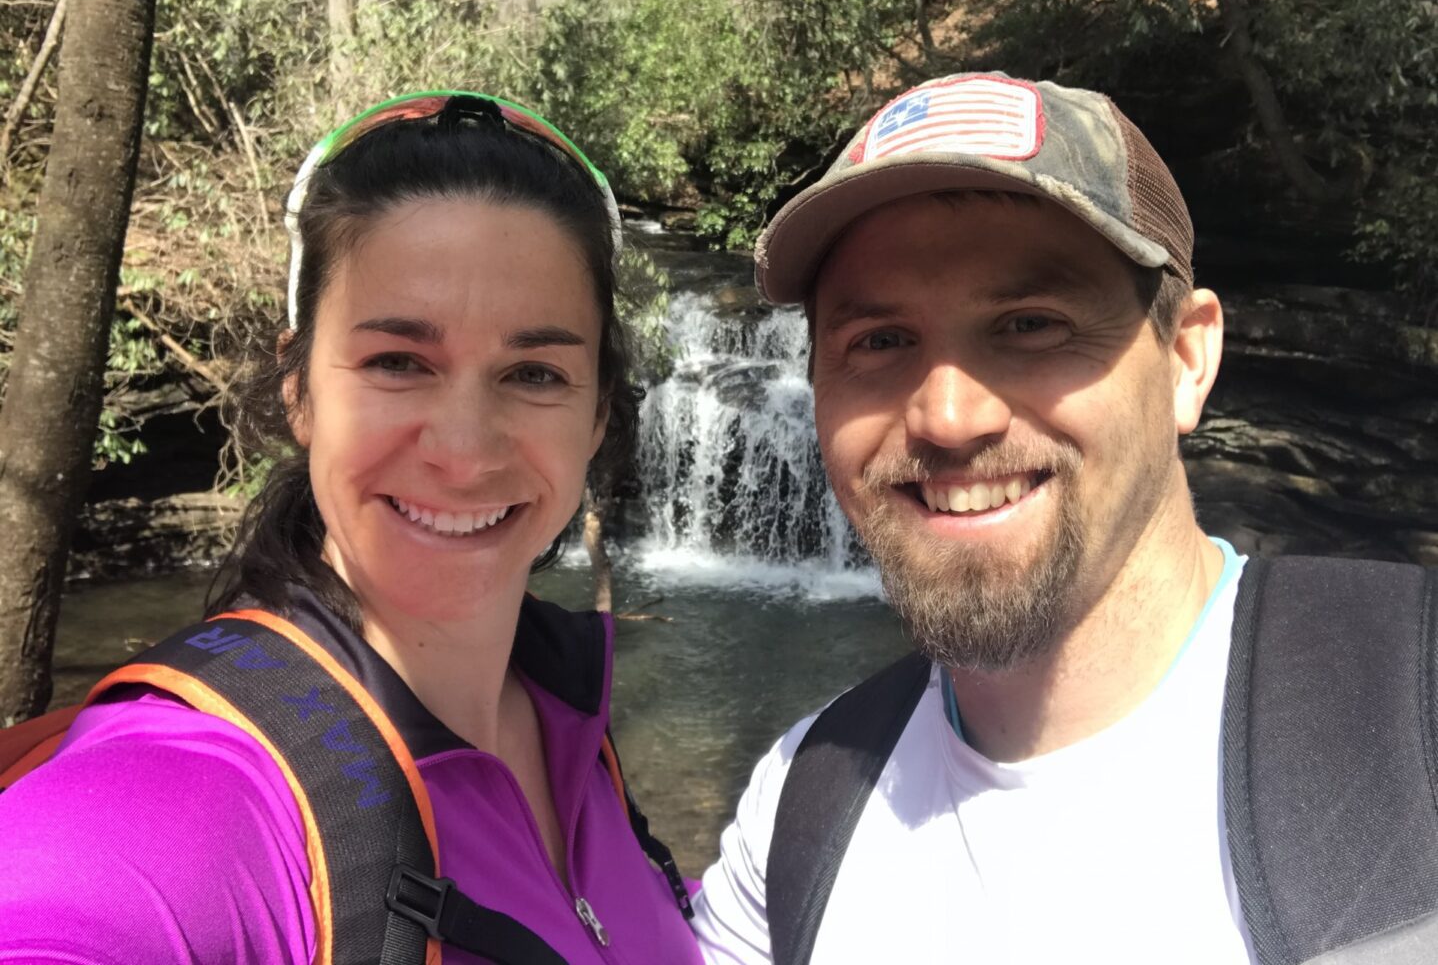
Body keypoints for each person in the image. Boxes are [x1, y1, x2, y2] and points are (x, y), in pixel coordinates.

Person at [690, 73, 1438, 964]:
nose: (949, 418)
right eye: (880, 342)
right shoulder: (795, 814)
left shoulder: (1413, 712)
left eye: (1030, 324)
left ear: (1187, 359)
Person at [0, 91, 702, 964]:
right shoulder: (199, 795)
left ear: (598, 414)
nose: (463, 451)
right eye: (398, 362)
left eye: (534, 372)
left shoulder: (568, 718)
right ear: (298, 388)